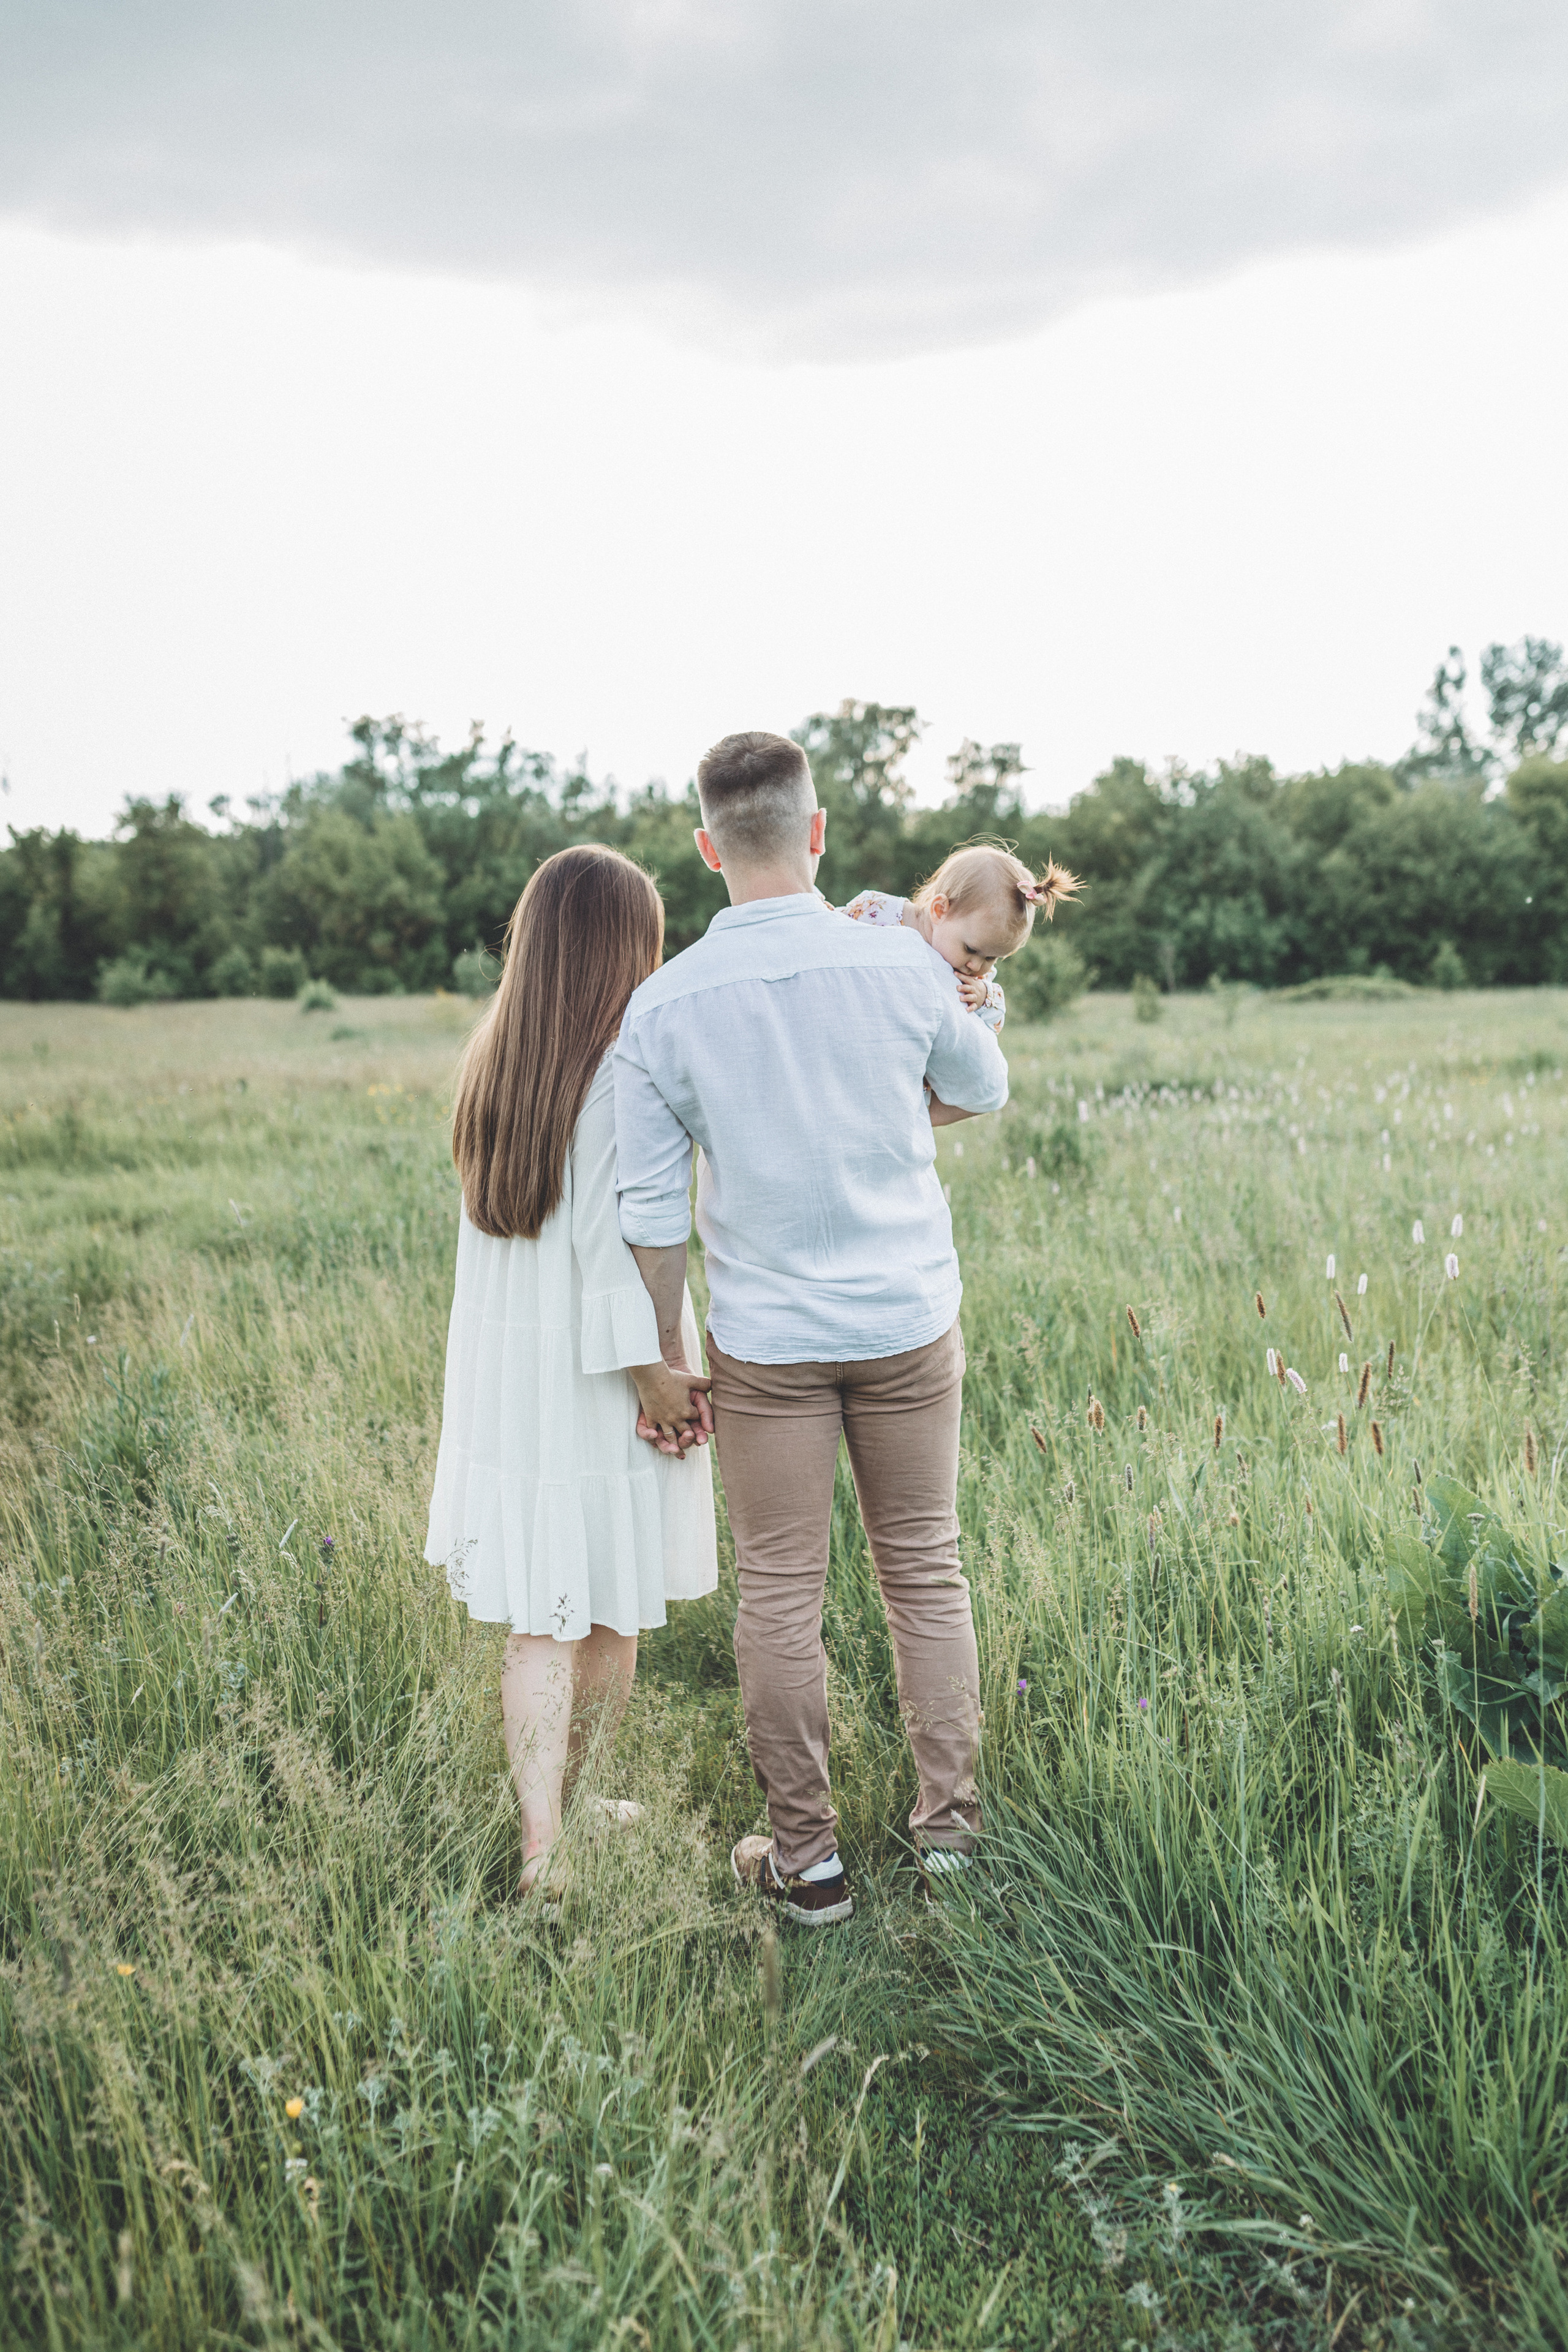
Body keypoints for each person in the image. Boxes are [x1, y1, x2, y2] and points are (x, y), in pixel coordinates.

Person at [613, 732, 1009, 1926]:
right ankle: (947, 1845)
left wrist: (662, 1358)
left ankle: (809, 1866)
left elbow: (647, 1210)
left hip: (766, 1344)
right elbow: (983, 1087)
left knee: (779, 1591)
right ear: (817, 832)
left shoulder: (664, 1006)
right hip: (903, 1319)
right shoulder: (896, 965)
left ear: (704, 847)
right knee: (923, 1570)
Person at [424, 844, 716, 1901]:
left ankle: (545, 1836)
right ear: (615, 952)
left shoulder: (494, 1063)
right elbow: (610, 1250)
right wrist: (657, 1374)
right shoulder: (613, 1081)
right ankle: (567, 1822)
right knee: (608, 1608)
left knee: (543, 1614)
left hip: (515, 1379)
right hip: (600, 1375)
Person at [840, 843, 1079, 1036]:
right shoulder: (879, 911)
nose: (977, 965)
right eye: (971, 949)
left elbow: (995, 1024)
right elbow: (831, 934)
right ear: (940, 910)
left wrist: (984, 997)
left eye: (992, 957)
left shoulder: (973, 980)